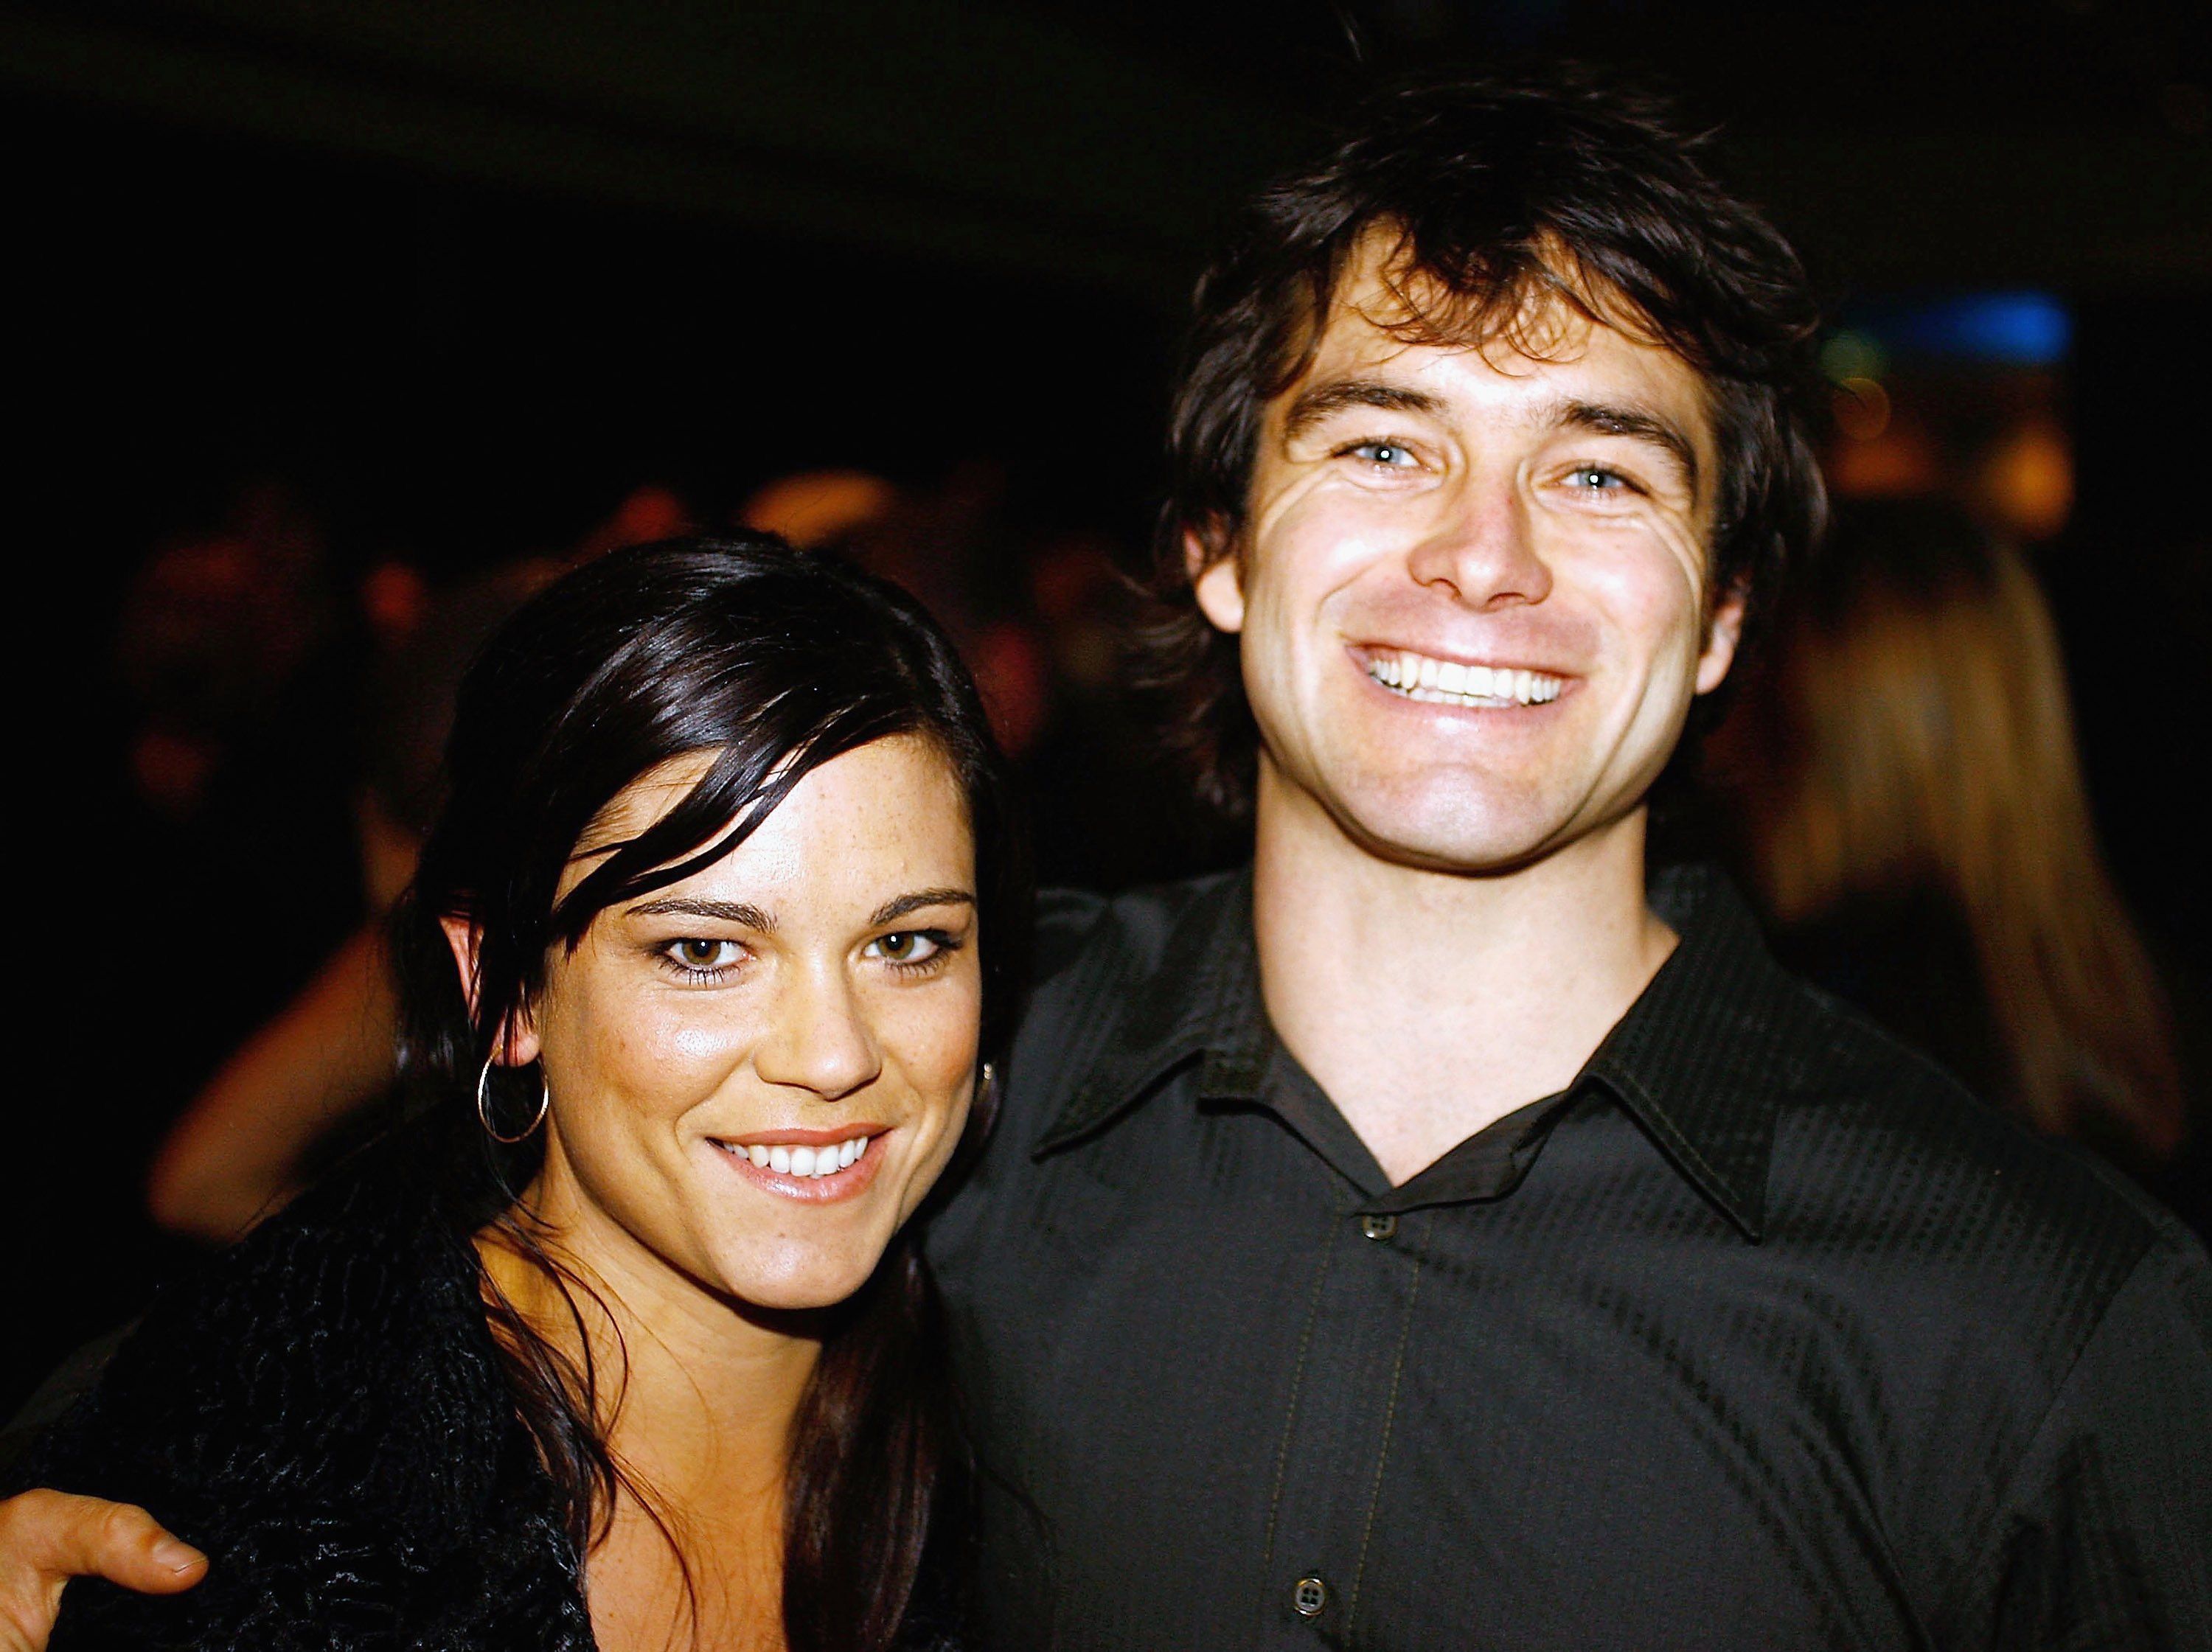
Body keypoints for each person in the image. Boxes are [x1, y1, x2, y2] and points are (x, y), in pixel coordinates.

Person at [10, 70, 2212, 1651]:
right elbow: (445, 1284)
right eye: (1380, 443)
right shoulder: (945, 1065)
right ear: (1218, 555)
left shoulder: (2040, 1325)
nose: (1480, 559)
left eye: (1604, 475)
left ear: (1724, 616)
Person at [6, 535, 1024, 1651]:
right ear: (506, 989)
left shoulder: (1025, 1405)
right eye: (702, 951)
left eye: (910, 941)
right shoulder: (291, 1506)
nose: (833, 1056)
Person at [1705, 496, 2191, 1170]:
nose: (1713, 722)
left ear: (1800, 710)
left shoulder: (1804, 1020)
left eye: (1742, 665)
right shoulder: (2128, 996)